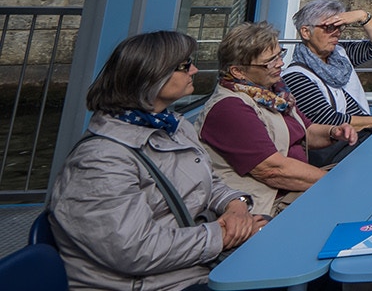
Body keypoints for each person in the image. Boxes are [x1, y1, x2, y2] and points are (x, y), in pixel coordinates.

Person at [47, 31, 265, 291]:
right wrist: (224, 235)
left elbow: (209, 182)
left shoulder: (174, 127)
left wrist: (236, 205)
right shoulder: (101, 160)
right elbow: (135, 249)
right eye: (185, 65)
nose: (194, 70)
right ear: (151, 76)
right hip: (153, 284)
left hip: (192, 266)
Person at [197, 21, 358, 216]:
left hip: (293, 187)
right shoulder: (229, 108)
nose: (280, 63)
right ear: (238, 71)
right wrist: (337, 183)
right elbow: (273, 170)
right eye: (270, 61)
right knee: (355, 198)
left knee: (364, 175)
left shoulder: (273, 94)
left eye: (279, 55)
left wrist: (333, 132)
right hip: (270, 202)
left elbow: (306, 131)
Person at [282, 0, 372, 152]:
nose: (337, 33)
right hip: (340, 147)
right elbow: (330, 119)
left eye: (340, 27)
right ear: (306, 32)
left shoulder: (340, 55)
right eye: (329, 27)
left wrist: (362, 16)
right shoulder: (296, 76)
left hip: (363, 136)